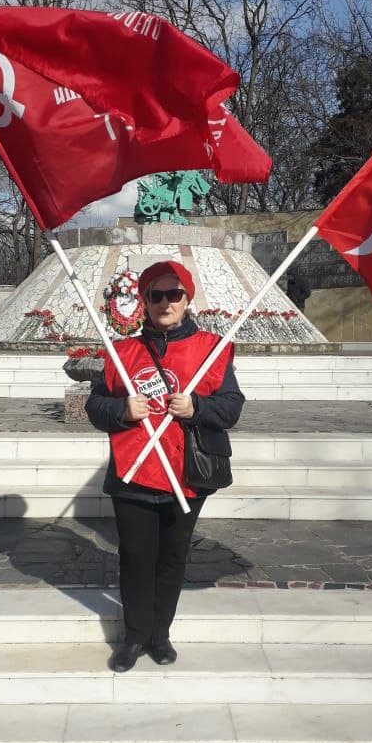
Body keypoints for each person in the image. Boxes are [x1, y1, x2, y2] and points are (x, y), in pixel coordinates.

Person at [86, 260, 245, 672]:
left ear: (187, 299)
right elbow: (95, 406)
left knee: (172, 558)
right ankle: (134, 637)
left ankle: (160, 635)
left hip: (185, 474)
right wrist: (122, 409)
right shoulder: (122, 353)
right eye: (155, 295)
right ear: (144, 302)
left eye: (173, 294)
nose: (165, 302)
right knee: (136, 558)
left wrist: (197, 407)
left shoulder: (213, 348)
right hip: (133, 470)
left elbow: (231, 407)